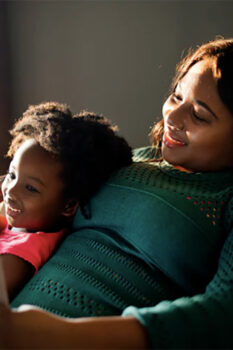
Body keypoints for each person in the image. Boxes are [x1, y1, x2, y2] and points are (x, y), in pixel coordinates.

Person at [1, 37, 233, 349]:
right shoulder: (130, 160)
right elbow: (36, 200)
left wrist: (61, 335)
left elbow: (223, 312)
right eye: (177, 98)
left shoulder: (225, 198)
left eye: (200, 116)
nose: (172, 119)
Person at [0, 102, 132, 301]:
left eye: (30, 188)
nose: (11, 191)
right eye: (12, 175)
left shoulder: (22, 253)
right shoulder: (22, 224)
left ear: (68, 206)